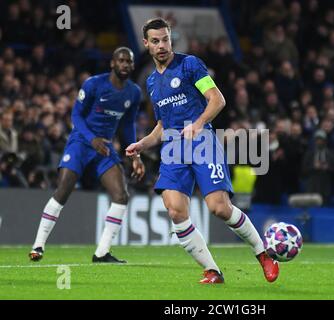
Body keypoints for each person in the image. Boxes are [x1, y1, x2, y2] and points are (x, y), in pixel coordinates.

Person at [126, 18, 279, 284]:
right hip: (173, 148)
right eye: (155, 41)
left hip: (202, 142)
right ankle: (212, 270)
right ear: (146, 44)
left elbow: (217, 99)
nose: (161, 45)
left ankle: (263, 254)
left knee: (219, 208)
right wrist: (142, 143)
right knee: (175, 210)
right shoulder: (151, 82)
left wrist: (198, 124)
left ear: (171, 39)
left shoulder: (189, 65)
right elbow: (162, 125)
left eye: (165, 39)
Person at [29, 47, 145, 263]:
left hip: (105, 148)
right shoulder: (94, 84)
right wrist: (92, 138)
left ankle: (102, 252)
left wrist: (135, 155)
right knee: (63, 191)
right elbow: (76, 115)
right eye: (121, 60)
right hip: (81, 143)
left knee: (121, 196)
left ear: (132, 65)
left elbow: (127, 127)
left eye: (128, 61)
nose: (125, 65)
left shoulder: (134, 92)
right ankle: (38, 245)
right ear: (112, 63)